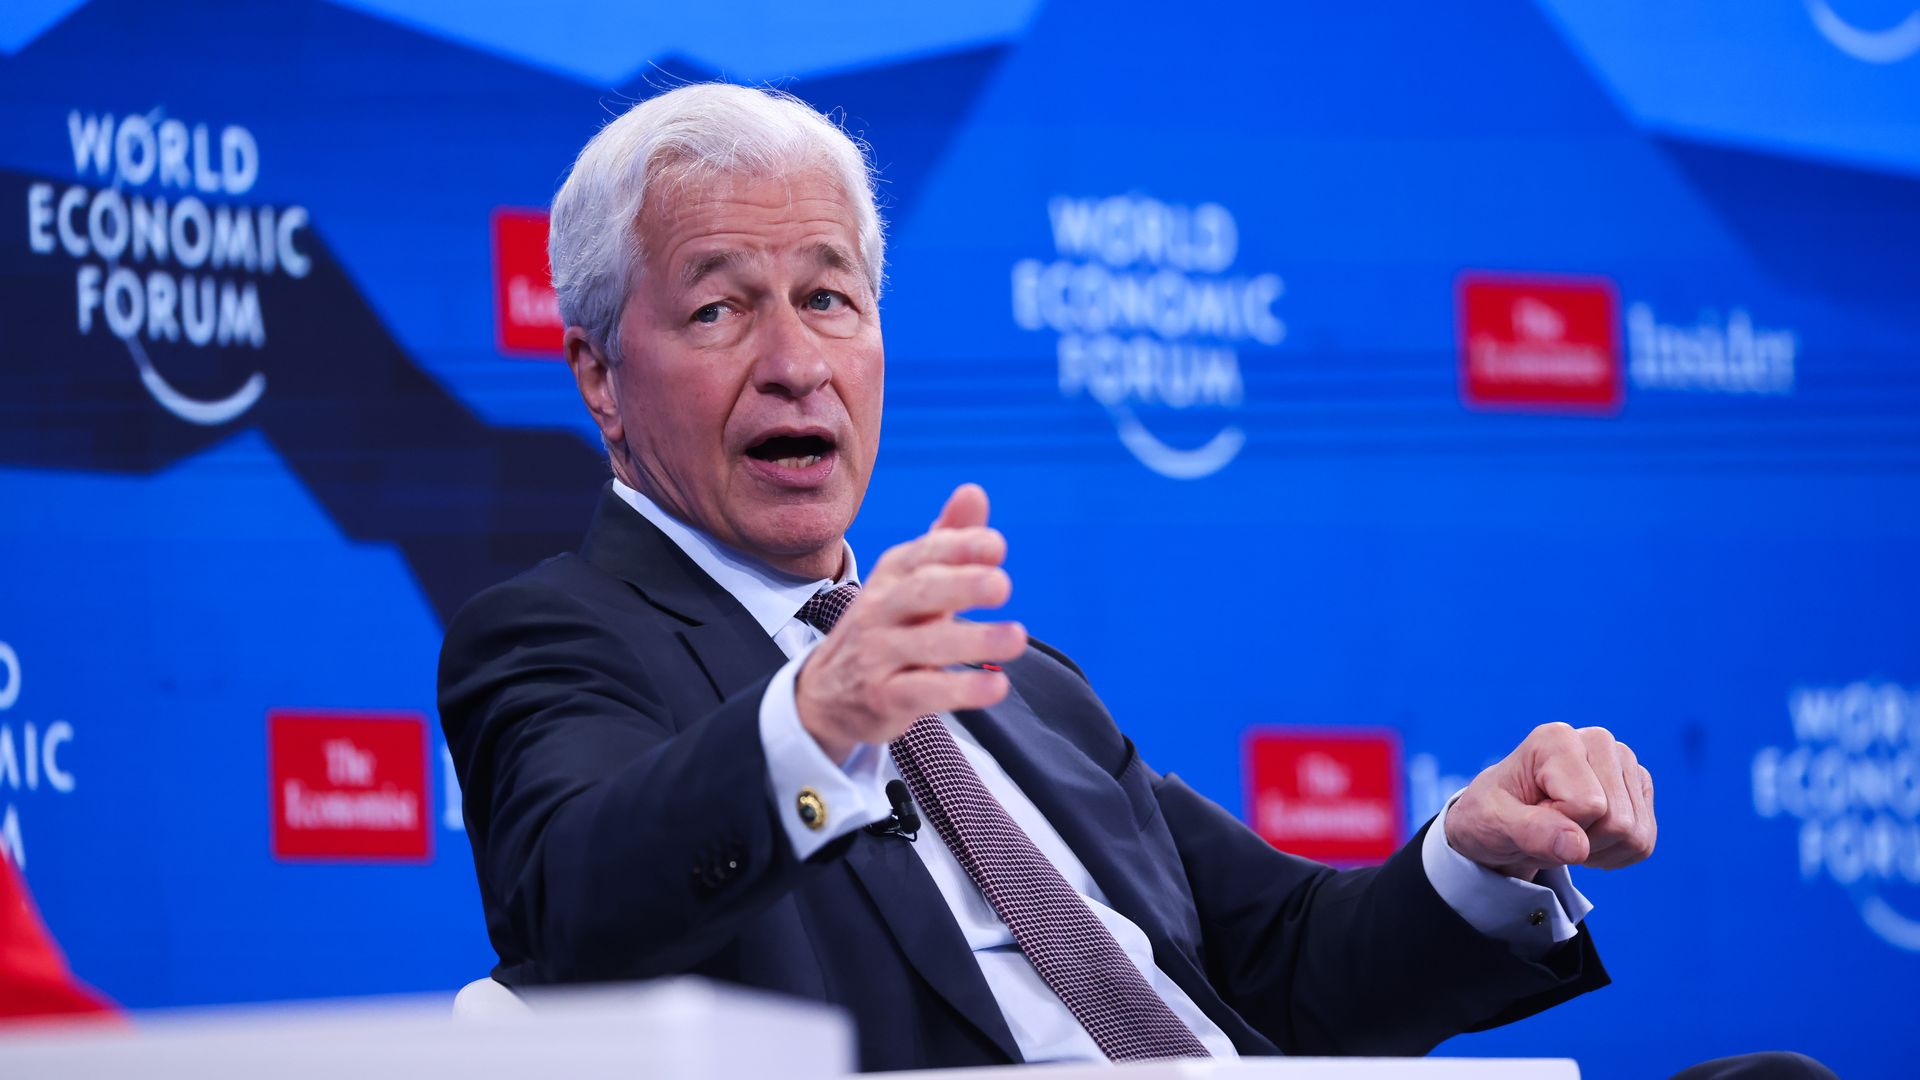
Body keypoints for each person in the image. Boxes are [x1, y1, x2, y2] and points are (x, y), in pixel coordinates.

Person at [438, 84, 1817, 1078]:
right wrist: (815, 719)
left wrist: (1476, 851)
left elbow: (1281, 972)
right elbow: (573, 909)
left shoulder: (1017, 684)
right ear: (600, 379)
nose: (795, 359)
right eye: (721, 306)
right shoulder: (557, 640)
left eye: (833, 296)